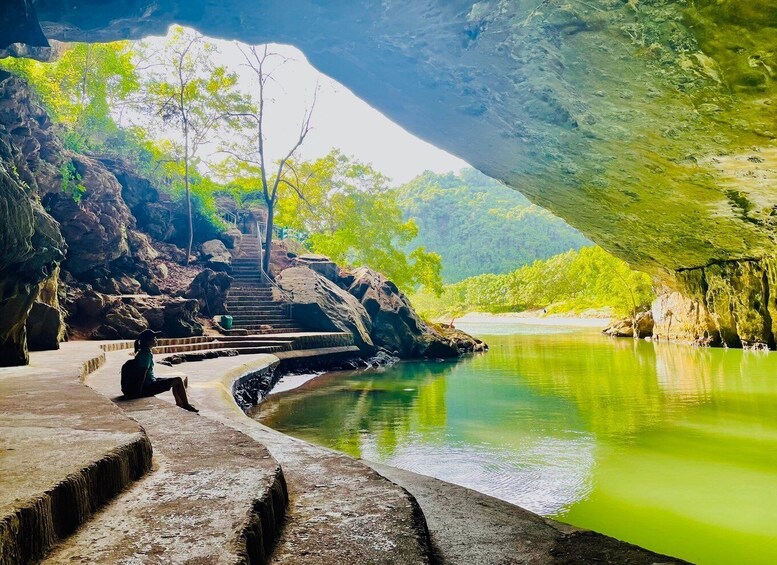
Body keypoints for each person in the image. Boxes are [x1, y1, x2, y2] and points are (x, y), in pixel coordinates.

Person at [134, 329, 199, 413]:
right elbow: (142, 373)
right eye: (154, 338)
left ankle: (180, 404)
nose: (156, 340)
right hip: (148, 386)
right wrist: (139, 391)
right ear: (148, 341)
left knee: (175, 381)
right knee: (178, 380)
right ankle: (186, 405)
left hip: (150, 382)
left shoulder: (142, 352)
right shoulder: (146, 354)